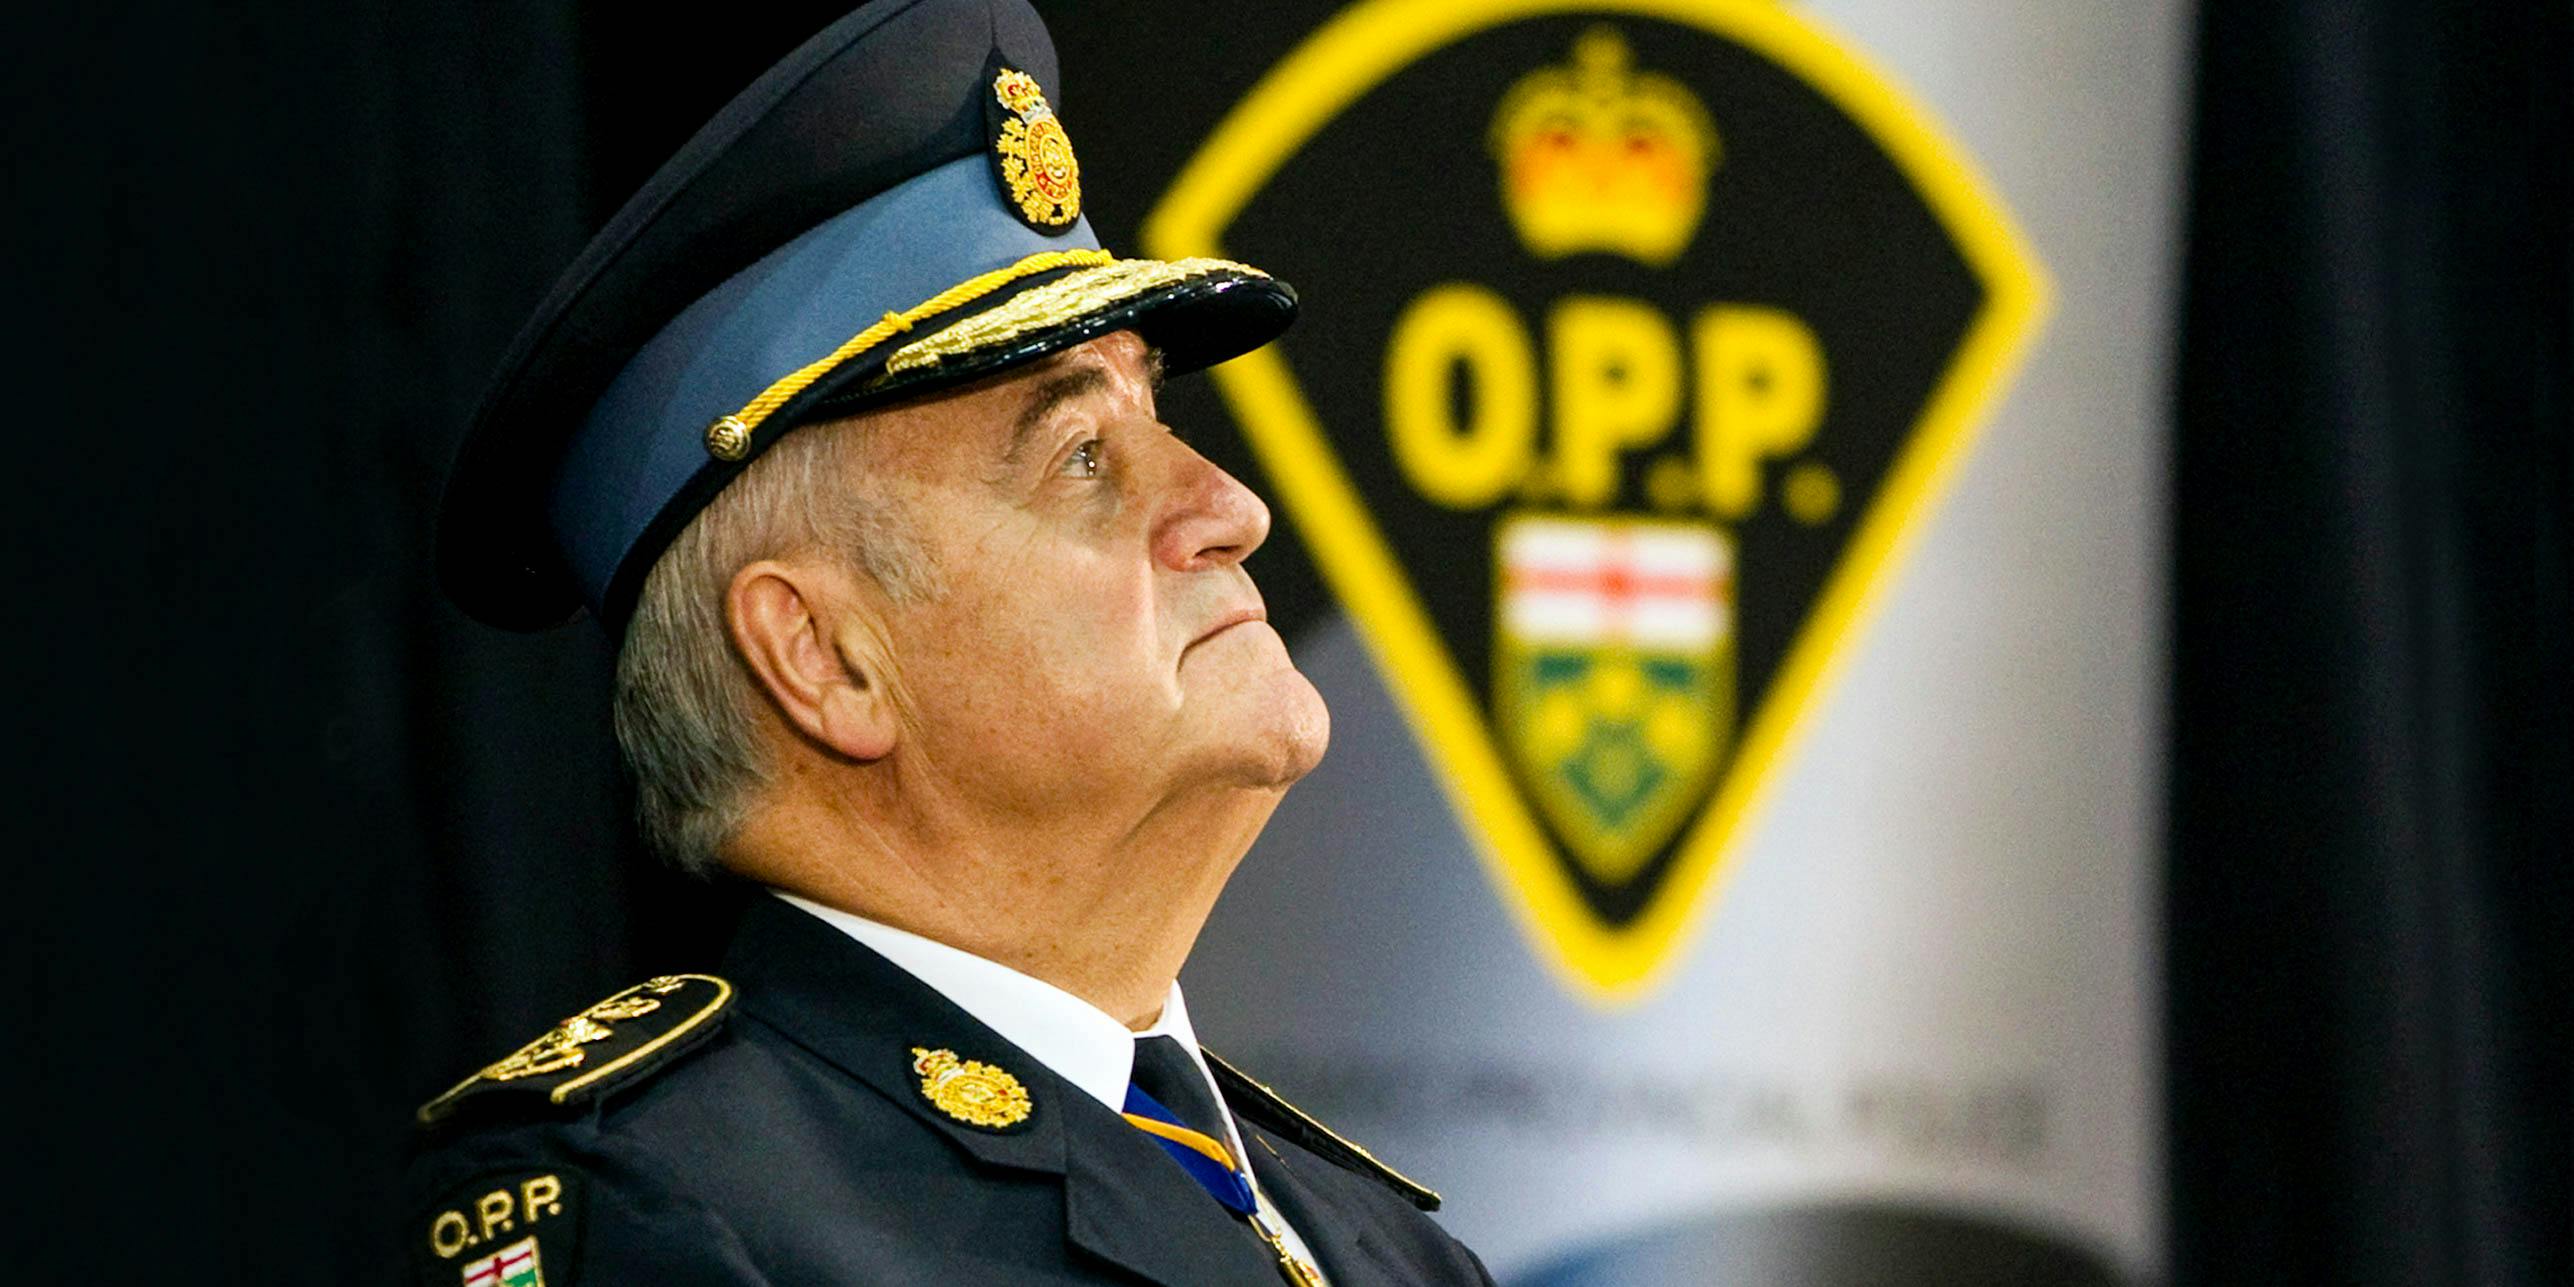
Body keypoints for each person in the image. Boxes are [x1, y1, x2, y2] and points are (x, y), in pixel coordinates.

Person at [408, 1, 1494, 1283]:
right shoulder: (662, 1209)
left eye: (1163, 421)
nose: (1231, 509)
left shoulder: (1391, 1253)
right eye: (1083, 458)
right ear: (823, 658)